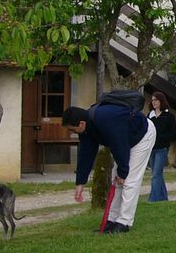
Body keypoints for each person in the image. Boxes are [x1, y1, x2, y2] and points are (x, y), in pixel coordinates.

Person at [63, 94, 157, 234]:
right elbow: (85, 155)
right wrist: (80, 183)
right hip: (126, 141)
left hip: (143, 135)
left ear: (81, 124)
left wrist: (123, 172)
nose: (72, 132)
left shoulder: (105, 119)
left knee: (129, 180)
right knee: (117, 180)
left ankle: (124, 222)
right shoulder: (87, 130)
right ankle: (111, 221)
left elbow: (120, 145)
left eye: (72, 129)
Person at [147, 92, 176, 201]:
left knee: (156, 175)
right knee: (157, 174)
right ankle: (163, 198)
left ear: (161, 101)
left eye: (156, 100)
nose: (153, 102)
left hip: (162, 149)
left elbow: (174, 133)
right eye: (152, 100)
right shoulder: (150, 116)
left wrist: (161, 137)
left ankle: (153, 199)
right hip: (151, 149)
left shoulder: (169, 116)